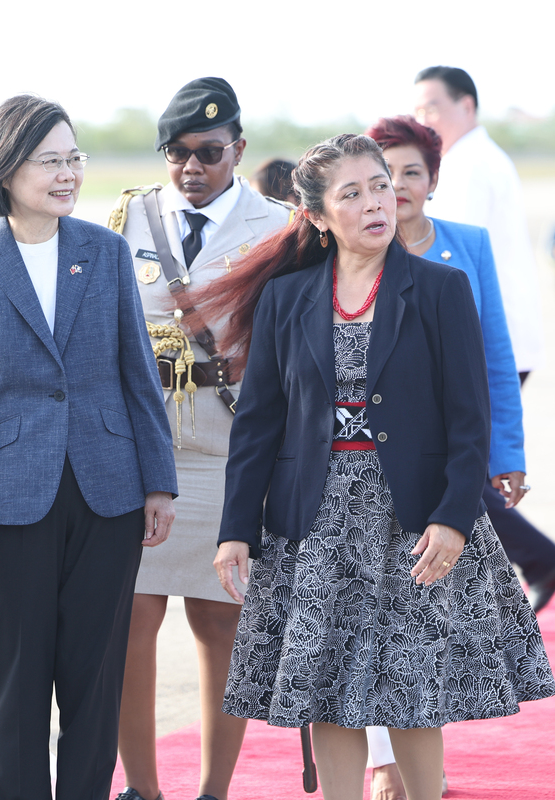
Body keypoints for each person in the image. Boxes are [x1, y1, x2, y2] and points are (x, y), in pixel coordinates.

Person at [209, 134, 555, 800]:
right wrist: (235, 529)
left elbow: (468, 419)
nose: (377, 202)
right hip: (313, 520)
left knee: (412, 690)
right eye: (353, 193)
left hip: (415, 521)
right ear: (315, 215)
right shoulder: (288, 298)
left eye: (379, 187)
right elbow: (258, 425)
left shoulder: (441, 288)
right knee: (329, 689)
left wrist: (454, 519)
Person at [0, 94, 177, 800]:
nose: (68, 175)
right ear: (6, 167)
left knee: (95, 684)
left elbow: (137, 372)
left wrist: (159, 483)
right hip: (5, 503)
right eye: (51, 161)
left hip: (109, 493)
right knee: (18, 685)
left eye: (74, 159)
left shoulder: (106, 251)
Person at [107, 77, 293, 800]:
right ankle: (142, 790)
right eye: (177, 153)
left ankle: (214, 790)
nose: (191, 167)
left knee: (222, 627)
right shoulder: (130, 218)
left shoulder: (278, 226)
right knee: (128, 626)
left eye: (208, 152)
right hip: (141, 446)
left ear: (238, 150)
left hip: (229, 448)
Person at [361, 112, 547, 799]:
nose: (399, 185)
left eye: (413, 171)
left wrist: (508, 452)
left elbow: (495, 354)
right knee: (374, 614)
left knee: (427, 618)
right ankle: (386, 763)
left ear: (434, 180)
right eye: (385, 173)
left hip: (447, 463)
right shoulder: (349, 254)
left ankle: (417, 757)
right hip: (362, 465)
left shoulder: (465, 246)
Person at [413, 66, 555, 614]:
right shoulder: (478, 157)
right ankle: (531, 562)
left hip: (489, 343)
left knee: (466, 469)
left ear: (466, 105)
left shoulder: (468, 164)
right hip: (499, 335)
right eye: (418, 108)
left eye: (433, 106)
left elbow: (448, 263)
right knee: (463, 469)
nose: (425, 117)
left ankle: (538, 558)